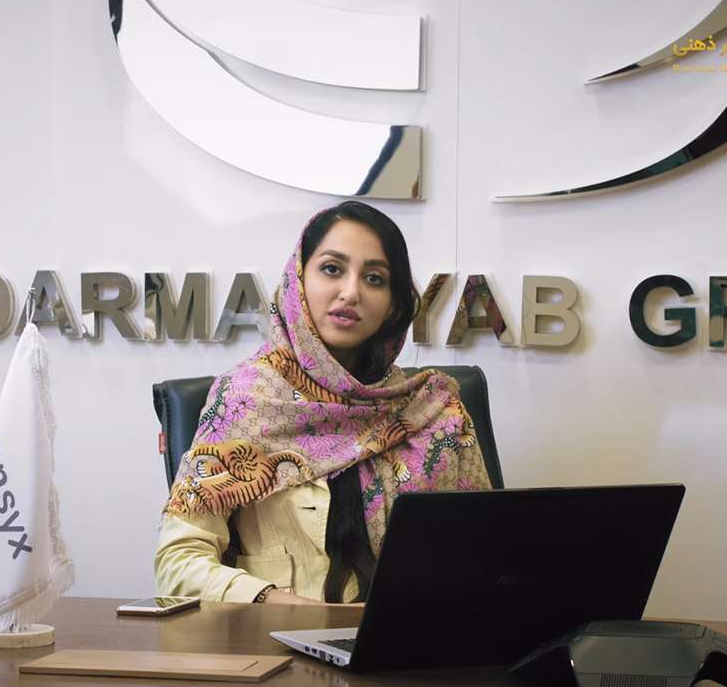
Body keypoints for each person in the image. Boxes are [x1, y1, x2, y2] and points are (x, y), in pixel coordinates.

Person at [155, 201, 491, 605]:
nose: (351, 292)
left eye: (374, 278)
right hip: (275, 639)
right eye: (332, 269)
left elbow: (484, 554)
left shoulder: (433, 410)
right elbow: (178, 562)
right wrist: (273, 604)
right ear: (298, 280)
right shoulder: (243, 401)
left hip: (409, 639)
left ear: (394, 304)